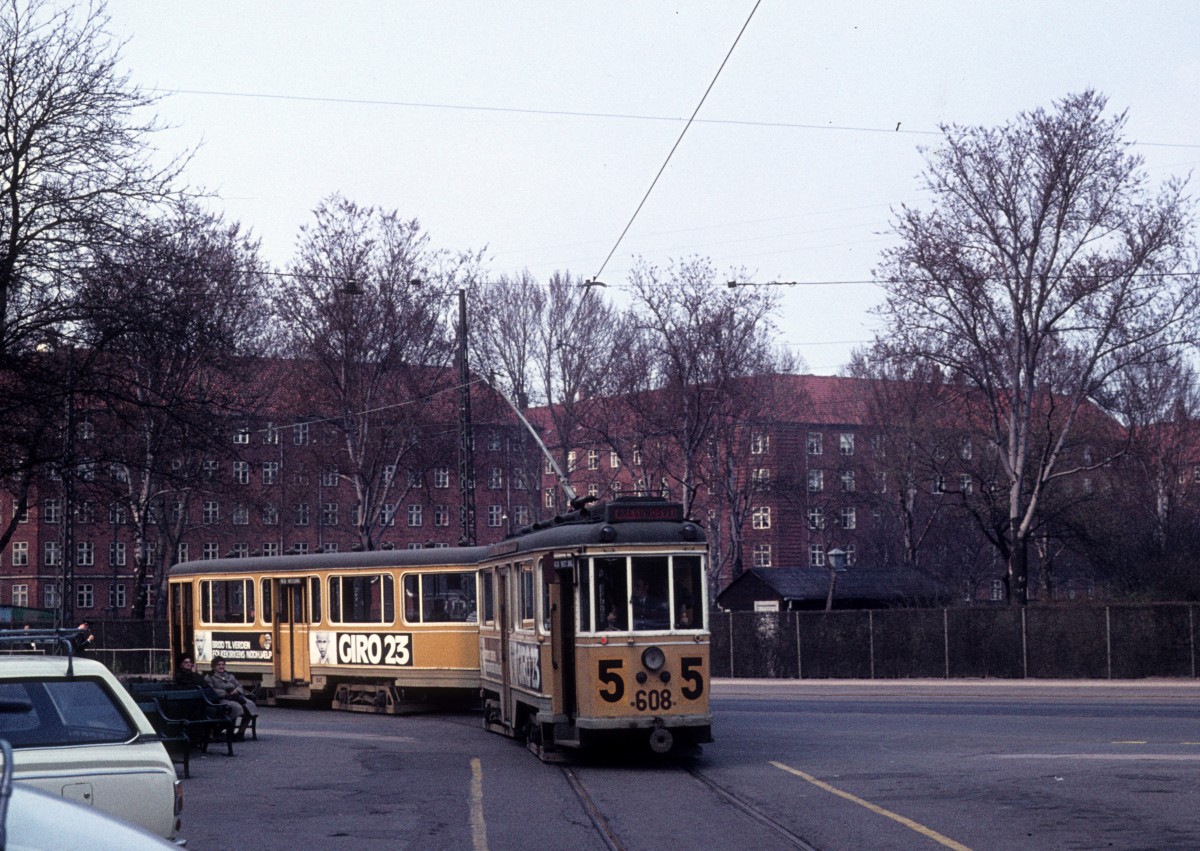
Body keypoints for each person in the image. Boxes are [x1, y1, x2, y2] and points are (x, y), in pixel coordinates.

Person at [206, 656, 256, 740]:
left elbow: (239, 685)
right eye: (219, 665)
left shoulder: (229, 675)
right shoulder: (210, 677)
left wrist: (236, 690)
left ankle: (241, 733)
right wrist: (225, 693)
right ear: (214, 666)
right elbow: (210, 690)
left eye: (223, 664)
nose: (221, 666)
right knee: (235, 707)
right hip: (222, 699)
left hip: (235, 696)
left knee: (250, 705)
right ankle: (230, 733)